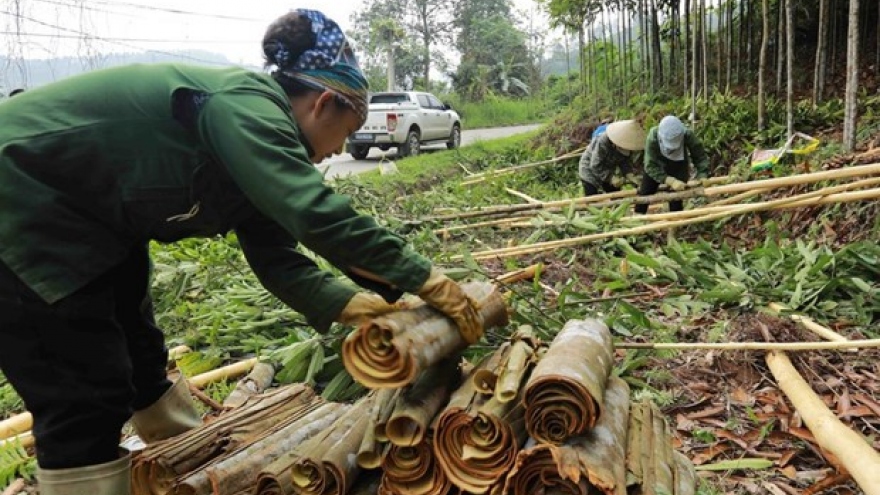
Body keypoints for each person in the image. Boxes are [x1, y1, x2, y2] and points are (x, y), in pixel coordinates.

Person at [0, 9, 482, 495]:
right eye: (349, 129)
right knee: (85, 389)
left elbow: (277, 256)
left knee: (142, 354)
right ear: (324, 104)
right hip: (21, 202)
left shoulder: (259, 141)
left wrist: (355, 304)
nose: (340, 149)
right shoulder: (247, 106)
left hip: (90, 222)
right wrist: (426, 277)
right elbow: (312, 211)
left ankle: (185, 468)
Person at [635, 115, 710, 214]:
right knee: (645, 192)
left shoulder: (687, 134)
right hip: (657, 165)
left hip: (678, 164)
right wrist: (669, 180)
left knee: (676, 198)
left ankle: (675, 224)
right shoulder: (653, 137)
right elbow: (650, 165)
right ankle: (638, 218)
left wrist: (702, 174)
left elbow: (700, 156)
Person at [578, 119, 646, 196]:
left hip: (607, 169)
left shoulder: (627, 145)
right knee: (592, 197)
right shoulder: (603, 141)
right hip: (590, 169)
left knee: (616, 194)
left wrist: (629, 174)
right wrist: (611, 178)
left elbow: (624, 161)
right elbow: (595, 165)